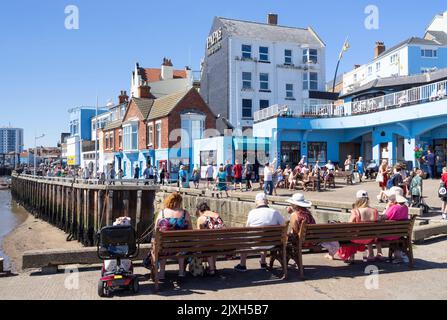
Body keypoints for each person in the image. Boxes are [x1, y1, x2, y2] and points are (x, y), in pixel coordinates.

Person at [234, 193, 286, 272]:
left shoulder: (252, 212)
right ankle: (263, 262)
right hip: (271, 243)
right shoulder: (275, 212)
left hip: (256, 244)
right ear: (266, 202)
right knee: (265, 236)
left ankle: (242, 264)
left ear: (256, 202)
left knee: (245, 238)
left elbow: (247, 228)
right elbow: (284, 225)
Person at [286, 193, 339, 260]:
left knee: (286, 240)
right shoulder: (308, 213)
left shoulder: (294, 215)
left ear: (294, 204)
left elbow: (295, 232)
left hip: (303, 242)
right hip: (312, 240)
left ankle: (286, 261)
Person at [153, 192, 192, 280]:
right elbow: (190, 230)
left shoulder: (162, 213)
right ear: (179, 202)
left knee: (163, 246)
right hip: (181, 247)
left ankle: (162, 272)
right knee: (182, 245)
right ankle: (181, 271)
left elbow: (156, 230)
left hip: (164, 247)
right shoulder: (185, 213)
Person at [338, 191, 382, 264]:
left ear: (358, 200)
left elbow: (349, 226)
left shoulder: (356, 211)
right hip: (370, 238)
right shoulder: (375, 211)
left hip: (358, 239)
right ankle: (370, 255)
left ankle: (351, 257)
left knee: (349, 235)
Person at [380, 187, 409, 264]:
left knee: (376, 234)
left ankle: (376, 254)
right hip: (399, 233)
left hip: (389, 235)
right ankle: (398, 255)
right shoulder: (405, 207)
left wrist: (387, 207)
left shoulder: (393, 208)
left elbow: (382, 217)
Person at [196, 202, 226, 276]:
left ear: (200, 211)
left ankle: (212, 270)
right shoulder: (216, 215)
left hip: (210, 244)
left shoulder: (201, 218)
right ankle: (213, 266)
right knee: (212, 241)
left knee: (207, 243)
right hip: (222, 242)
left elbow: (198, 234)